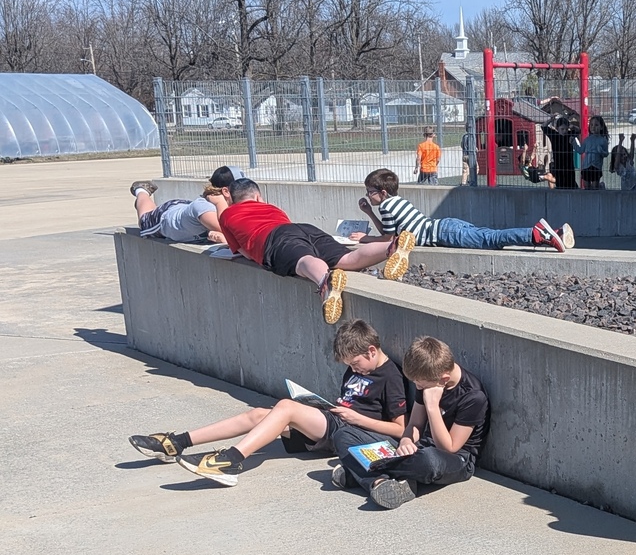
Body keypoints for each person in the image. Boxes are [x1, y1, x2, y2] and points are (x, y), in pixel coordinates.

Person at [128, 320, 408, 487]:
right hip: (333, 420)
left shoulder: (390, 375)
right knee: (260, 414)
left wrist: (359, 420)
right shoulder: (359, 368)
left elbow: (399, 429)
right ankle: (179, 442)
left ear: (371, 350)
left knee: (285, 407)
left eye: (356, 363)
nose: (354, 369)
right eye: (349, 365)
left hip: (352, 432)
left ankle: (232, 461)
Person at [218, 177, 414, 324]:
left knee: (303, 260)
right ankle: (391, 247)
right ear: (258, 196)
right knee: (346, 258)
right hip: (303, 228)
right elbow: (287, 227)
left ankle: (325, 281)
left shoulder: (227, 215)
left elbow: (240, 250)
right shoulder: (273, 208)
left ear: (233, 200)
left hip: (272, 238)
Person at [333, 336, 490, 510]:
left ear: (443, 380)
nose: (419, 388)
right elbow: (415, 424)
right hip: (418, 448)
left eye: (421, 386)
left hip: (455, 459)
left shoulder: (473, 396)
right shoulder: (426, 378)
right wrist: (407, 440)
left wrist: (432, 407)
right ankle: (380, 481)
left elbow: (449, 447)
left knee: (429, 461)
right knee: (343, 435)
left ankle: (362, 472)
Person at [351, 167, 574, 253]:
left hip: (445, 233)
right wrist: (369, 213)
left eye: (370, 192)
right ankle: (555, 233)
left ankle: (536, 234)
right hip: (447, 227)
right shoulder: (397, 201)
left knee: (492, 239)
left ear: (382, 192)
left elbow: (387, 238)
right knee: (488, 236)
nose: (368, 196)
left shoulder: (387, 207)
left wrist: (364, 239)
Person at [130, 172, 229, 244]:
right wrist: (221, 203)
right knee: (144, 220)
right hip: (164, 218)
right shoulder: (206, 209)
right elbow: (228, 231)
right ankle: (142, 191)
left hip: (183, 209)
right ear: (225, 191)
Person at [540, 114, 578, 189]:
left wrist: (572, 126)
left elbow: (579, 130)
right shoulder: (554, 135)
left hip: (569, 165)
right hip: (558, 165)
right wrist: (551, 120)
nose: (564, 131)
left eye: (566, 129)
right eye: (562, 129)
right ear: (557, 128)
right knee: (560, 184)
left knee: (571, 184)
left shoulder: (569, 134)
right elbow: (543, 127)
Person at [576, 115, 609, 190]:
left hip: (596, 166)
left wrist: (601, 151)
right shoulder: (587, 140)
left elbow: (606, 154)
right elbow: (580, 150)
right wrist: (574, 143)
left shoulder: (603, 140)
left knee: (595, 187)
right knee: (586, 186)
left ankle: (600, 187)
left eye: (596, 125)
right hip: (586, 166)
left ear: (601, 127)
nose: (593, 127)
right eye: (591, 125)